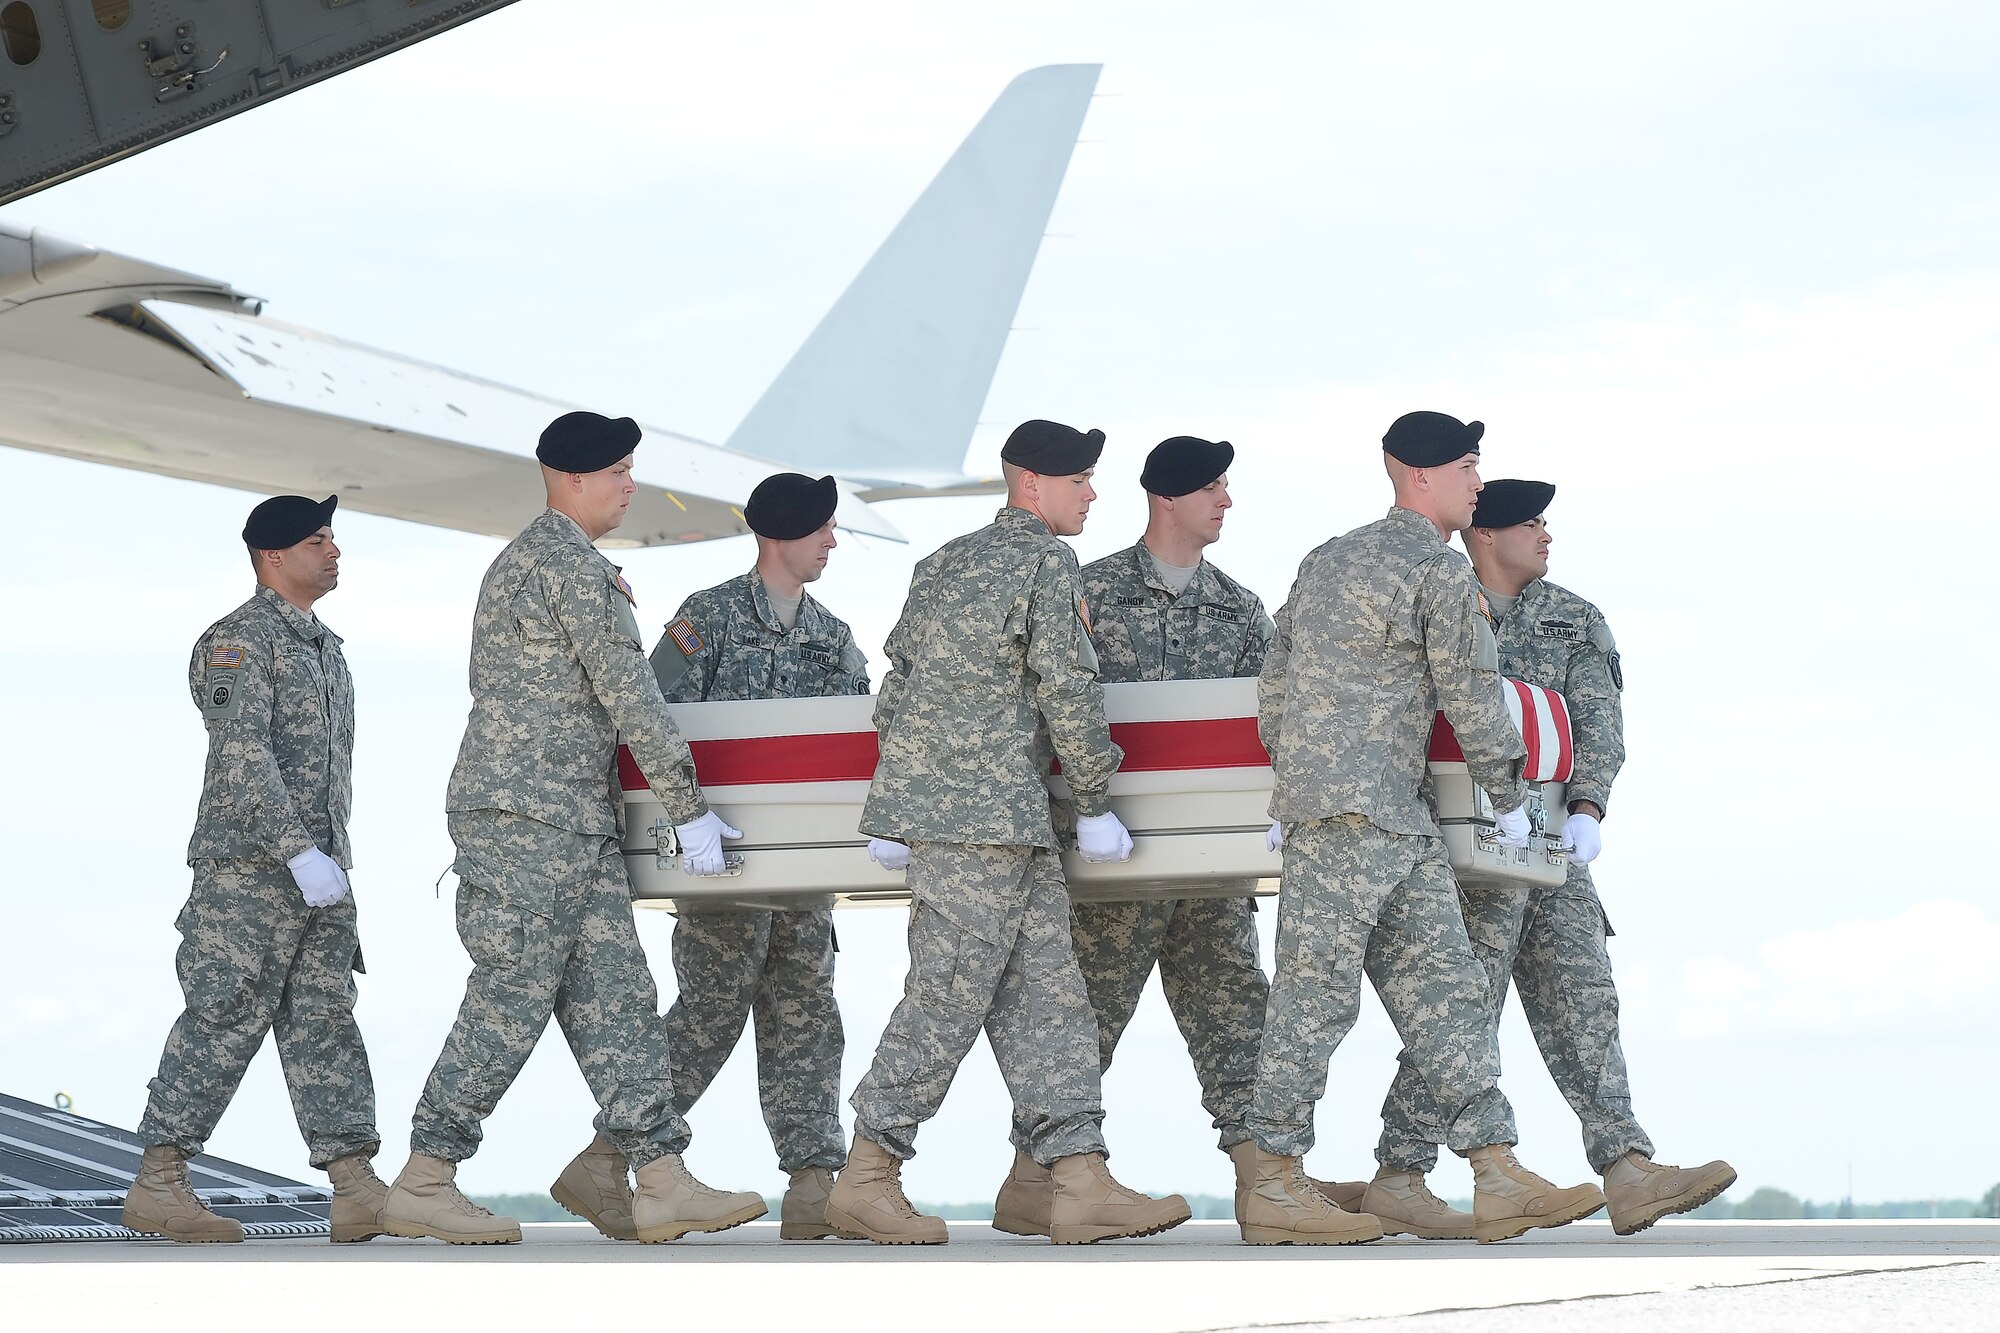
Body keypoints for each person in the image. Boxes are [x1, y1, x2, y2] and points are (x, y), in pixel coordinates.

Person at [381, 411, 762, 1246]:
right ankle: (425, 1176)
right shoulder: (572, 569)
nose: (632, 485)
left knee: (619, 997)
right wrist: (689, 808)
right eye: (620, 471)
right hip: (532, 821)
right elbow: (632, 696)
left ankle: (660, 1177)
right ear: (575, 478)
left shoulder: (526, 562)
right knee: (512, 996)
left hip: (566, 818)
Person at [826, 419, 1191, 1246]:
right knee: (948, 995)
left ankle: (1077, 1176)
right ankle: (867, 1172)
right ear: (1032, 484)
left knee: (1050, 995)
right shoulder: (1044, 562)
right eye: (1079, 480)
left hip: (989, 822)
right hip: (985, 823)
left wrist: (898, 808)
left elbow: (898, 690)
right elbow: (1069, 686)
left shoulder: (940, 564)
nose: (1092, 493)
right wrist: (1095, 799)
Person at [1242, 411, 1604, 1245]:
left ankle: (1495, 1167)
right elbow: (1472, 690)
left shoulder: (1325, 559)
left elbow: (1275, 683)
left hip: (1378, 821)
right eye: (1469, 467)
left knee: (1447, 993)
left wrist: (1296, 780)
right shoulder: (1438, 569)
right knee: (1316, 1002)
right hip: (1362, 821)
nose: (1478, 483)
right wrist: (1510, 797)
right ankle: (1273, 1182)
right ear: (1421, 476)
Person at [1347, 479, 1735, 1237]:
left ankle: (1627, 1167)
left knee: (1585, 997)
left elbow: (1599, 723)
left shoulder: (1573, 618)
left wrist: (1590, 807)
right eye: (1530, 523)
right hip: (1459, 850)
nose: (1546, 534)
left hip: (1554, 845)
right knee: (1463, 1010)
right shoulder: (1435, 601)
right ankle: (1400, 1170)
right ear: (1485, 535)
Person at [991, 435, 1280, 1237]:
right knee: (1082, 1028)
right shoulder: (1088, 591)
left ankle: (1265, 1181)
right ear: (1167, 497)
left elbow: (1271, 722)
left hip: (1211, 865)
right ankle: (1033, 1181)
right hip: (1110, 864)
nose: (1226, 501)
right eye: (1212, 487)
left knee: (1238, 1018)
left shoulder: (1241, 608)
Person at [124, 493, 386, 1245]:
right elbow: (242, 754)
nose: (333, 551)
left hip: (322, 871)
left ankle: (355, 1185)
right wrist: (295, 850)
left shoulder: (324, 646)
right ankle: (159, 1181)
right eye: (317, 540)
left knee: (325, 1017)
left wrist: (322, 860)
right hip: (251, 872)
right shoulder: (237, 641)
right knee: (224, 1013)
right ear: (273, 555)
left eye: (332, 538)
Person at [634, 472, 869, 1242]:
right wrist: (680, 825)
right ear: (781, 534)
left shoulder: (832, 635)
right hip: (720, 865)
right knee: (708, 1012)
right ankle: (621, 1152)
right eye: (822, 527)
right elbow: (650, 722)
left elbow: (858, 741)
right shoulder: (709, 618)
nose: (832, 541)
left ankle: (813, 1181)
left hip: (804, 873)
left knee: (808, 1014)